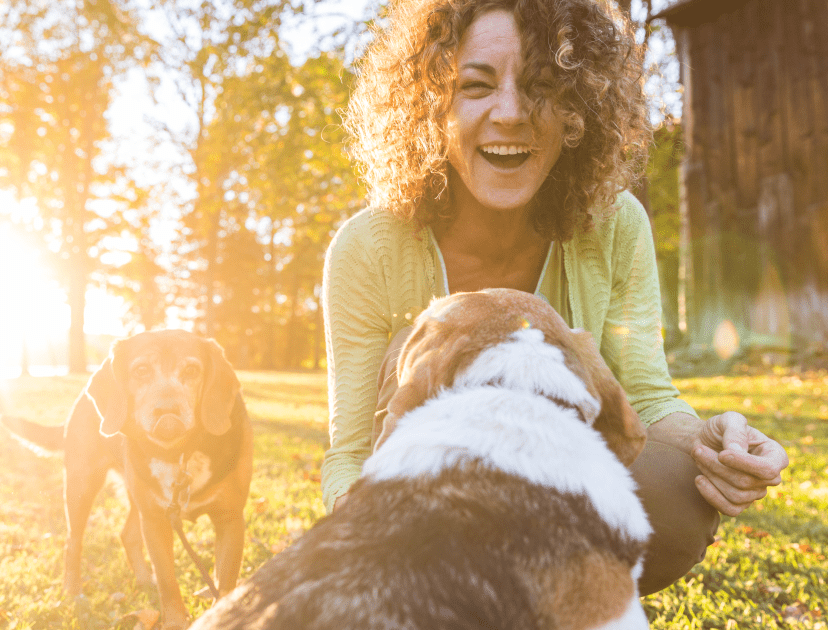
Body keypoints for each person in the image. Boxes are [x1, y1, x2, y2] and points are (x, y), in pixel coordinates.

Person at [320, 0, 788, 596]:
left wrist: (717, 444)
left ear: (577, 109)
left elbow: (644, 392)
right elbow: (350, 452)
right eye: (475, 86)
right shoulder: (368, 247)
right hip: (424, 502)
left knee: (677, 497)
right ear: (430, 107)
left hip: (559, 475)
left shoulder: (616, 225)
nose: (510, 113)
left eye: (541, 85)